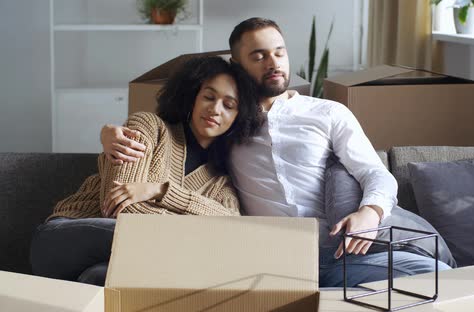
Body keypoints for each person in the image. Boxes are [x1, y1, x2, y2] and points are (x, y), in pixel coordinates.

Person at [100, 18, 452, 287]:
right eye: (259, 55)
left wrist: (370, 213)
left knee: (434, 275)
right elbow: (172, 134)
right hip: (270, 259)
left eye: (279, 51)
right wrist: (108, 134)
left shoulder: (328, 113)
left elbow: (374, 173)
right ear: (238, 66)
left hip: (342, 252)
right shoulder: (228, 121)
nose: (274, 62)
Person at [30, 56, 262, 286]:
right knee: (169, 243)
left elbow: (231, 229)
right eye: (208, 97)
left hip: (122, 258)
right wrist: (196, 225)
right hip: (65, 238)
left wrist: (160, 191)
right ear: (192, 97)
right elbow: (122, 210)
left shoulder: (221, 182)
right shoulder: (149, 127)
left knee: (101, 276)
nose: (215, 109)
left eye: (229, 105)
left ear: (237, 118)